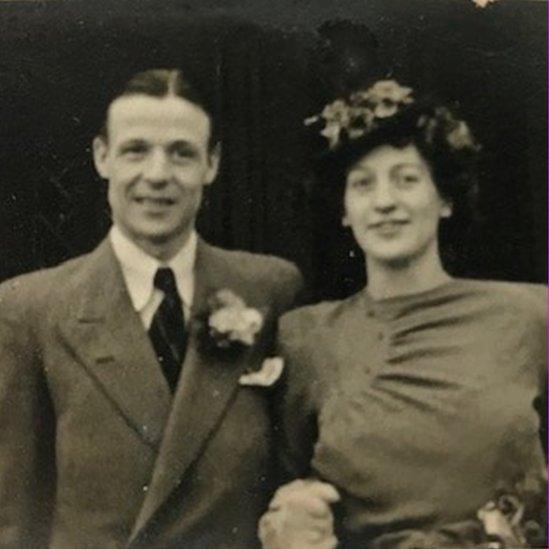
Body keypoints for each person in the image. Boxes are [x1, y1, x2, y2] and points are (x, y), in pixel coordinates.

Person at [0, 68, 303, 548]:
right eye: (135, 150)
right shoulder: (32, 309)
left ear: (212, 164)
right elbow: (13, 518)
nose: (158, 175)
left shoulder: (269, 289)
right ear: (103, 158)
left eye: (182, 153)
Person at [259, 80, 547, 548]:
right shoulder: (306, 338)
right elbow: (276, 484)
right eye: (363, 184)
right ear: (345, 211)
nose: (385, 201)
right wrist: (289, 515)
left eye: (406, 179)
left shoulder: (529, 316)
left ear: (446, 199)